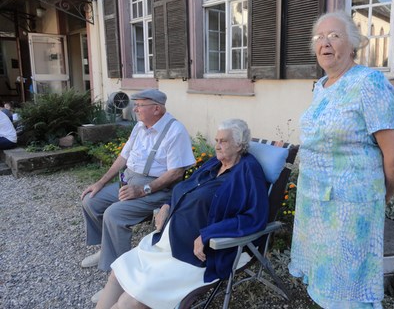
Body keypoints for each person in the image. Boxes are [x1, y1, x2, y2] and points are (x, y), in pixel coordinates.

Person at [288, 11, 394, 308]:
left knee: (350, 291)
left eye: (334, 35)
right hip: (315, 204)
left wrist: (384, 194)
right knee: (325, 284)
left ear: (353, 45)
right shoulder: (321, 87)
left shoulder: (369, 83)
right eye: (319, 37)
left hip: (349, 210)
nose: (325, 43)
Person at [95, 118, 268, 309]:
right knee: (118, 273)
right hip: (166, 242)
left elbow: (253, 218)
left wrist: (208, 234)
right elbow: (186, 189)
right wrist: (167, 206)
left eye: (223, 141)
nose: (217, 146)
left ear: (239, 144)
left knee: (131, 301)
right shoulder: (213, 164)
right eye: (216, 140)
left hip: (193, 256)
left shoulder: (248, 172)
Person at [80, 89, 196, 281]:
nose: (135, 109)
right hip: (129, 181)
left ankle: (119, 278)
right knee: (91, 200)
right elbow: (123, 157)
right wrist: (100, 183)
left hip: (158, 189)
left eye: (140, 105)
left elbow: (177, 172)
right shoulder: (140, 127)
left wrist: (143, 190)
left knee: (114, 214)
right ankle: (107, 248)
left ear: (156, 109)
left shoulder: (176, 131)